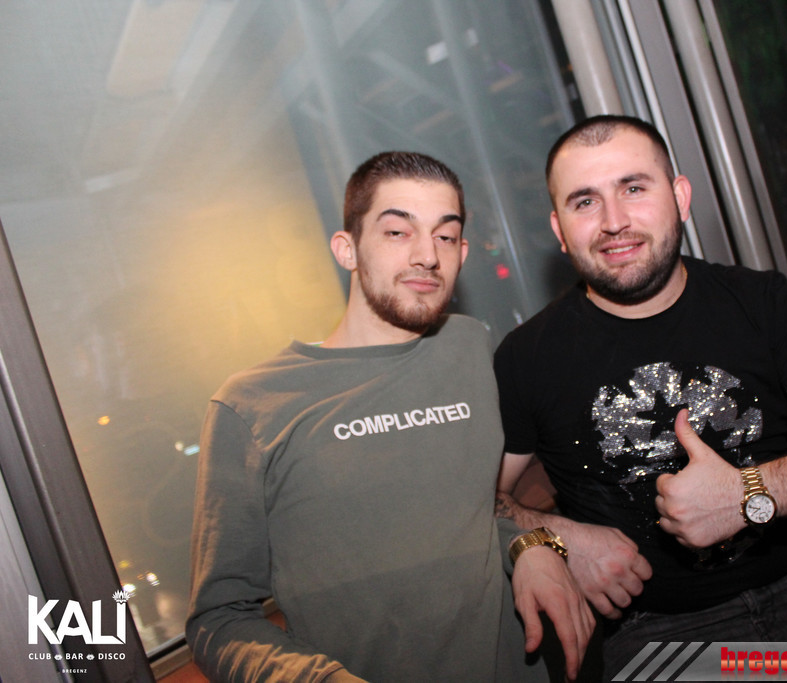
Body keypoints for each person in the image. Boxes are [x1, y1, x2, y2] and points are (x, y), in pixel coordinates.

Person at [493, 115, 787, 677]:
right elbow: (474, 502)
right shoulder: (527, 356)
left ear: (680, 198)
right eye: (585, 202)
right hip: (657, 630)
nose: (614, 221)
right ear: (560, 229)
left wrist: (747, 494)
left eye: (634, 188)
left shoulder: (759, 302)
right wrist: (551, 538)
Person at [187, 151, 594, 682]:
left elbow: (467, 515)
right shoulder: (252, 406)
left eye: (445, 236)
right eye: (398, 232)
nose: (427, 255)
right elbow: (219, 620)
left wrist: (530, 546)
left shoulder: (469, 349)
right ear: (347, 249)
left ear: (462, 252)